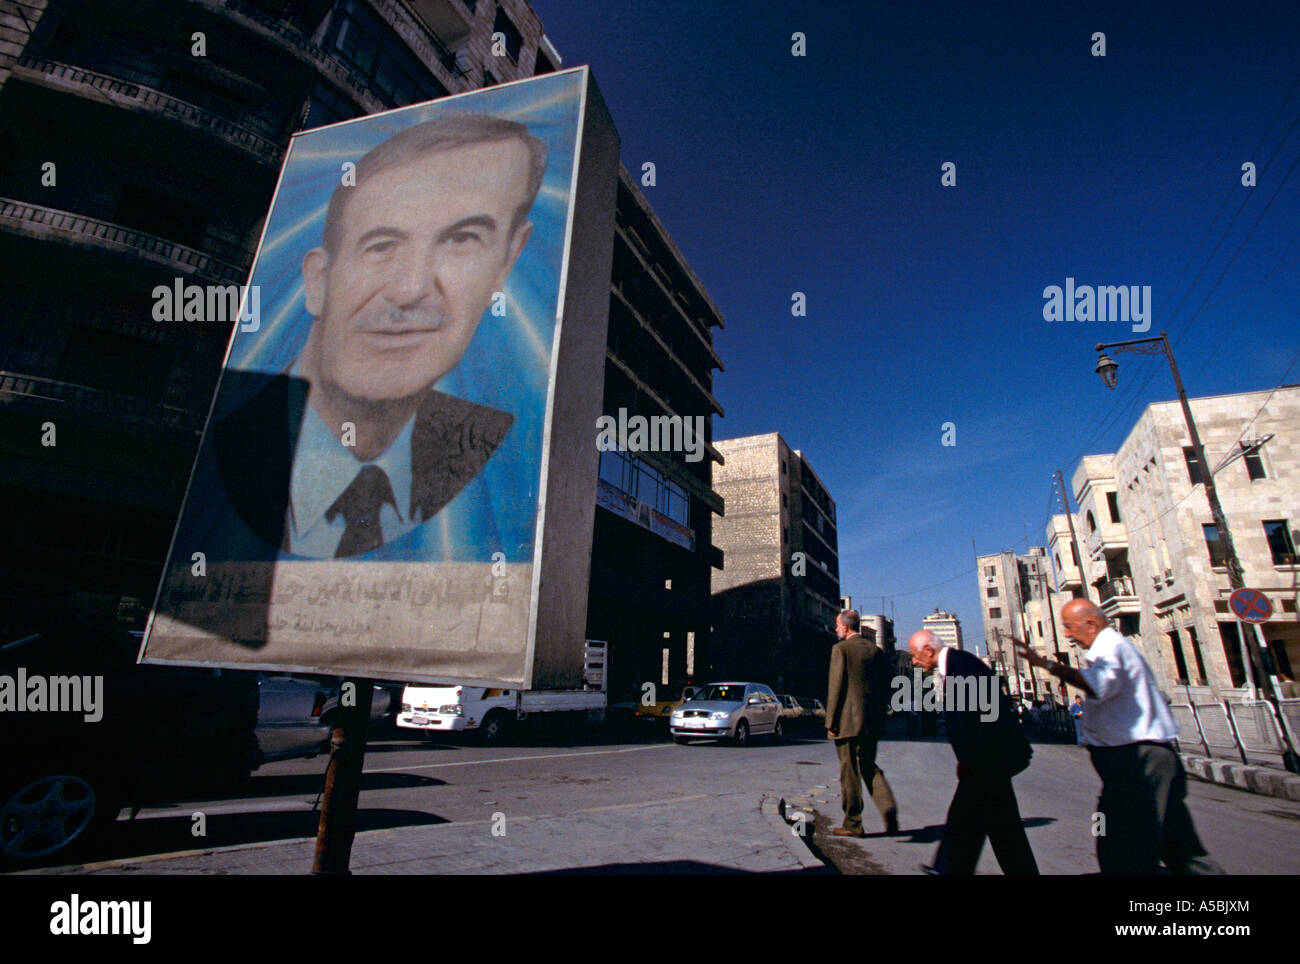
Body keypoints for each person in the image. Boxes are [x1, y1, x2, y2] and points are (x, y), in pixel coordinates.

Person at [212, 113, 546, 559]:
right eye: (381, 245)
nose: (410, 289)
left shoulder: (499, 464)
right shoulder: (233, 448)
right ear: (318, 280)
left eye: (462, 239)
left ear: (506, 262)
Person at [1013, 599, 1223, 875]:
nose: (1065, 634)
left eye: (1068, 627)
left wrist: (1049, 666)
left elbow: (1098, 684)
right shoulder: (1110, 649)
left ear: (1091, 624)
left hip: (1135, 762)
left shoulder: (1110, 649)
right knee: (1179, 845)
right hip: (1141, 760)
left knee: (1121, 844)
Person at [909, 629, 1039, 875]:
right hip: (986, 761)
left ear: (928, 650)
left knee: (986, 824)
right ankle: (950, 868)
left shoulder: (963, 668)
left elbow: (978, 722)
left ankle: (949, 869)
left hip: (989, 760)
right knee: (994, 826)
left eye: (916, 656)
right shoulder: (958, 665)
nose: (914, 661)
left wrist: (971, 761)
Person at [826, 610, 899, 837]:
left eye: (837, 625)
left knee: (849, 772)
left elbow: (836, 687)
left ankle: (853, 823)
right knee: (869, 766)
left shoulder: (841, 650)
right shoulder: (875, 651)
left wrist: (830, 720)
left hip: (847, 722)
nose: (836, 628)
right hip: (871, 722)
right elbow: (885, 686)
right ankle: (889, 810)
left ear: (846, 627)